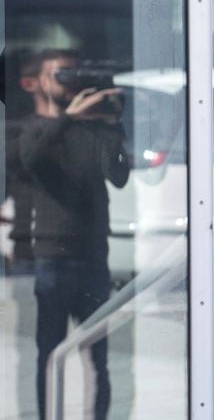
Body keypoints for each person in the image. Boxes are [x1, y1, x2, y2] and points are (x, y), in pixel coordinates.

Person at [16, 49, 129, 420]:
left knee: (99, 360)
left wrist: (112, 125)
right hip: (51, 260)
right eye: (59, 75)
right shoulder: (32, 128)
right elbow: (29, 158)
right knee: (48, 355)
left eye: (72, 74)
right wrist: (67, 117)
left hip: (94, 257)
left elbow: (119, 176)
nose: (67, 82)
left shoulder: (91, 128)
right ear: (41, 83)